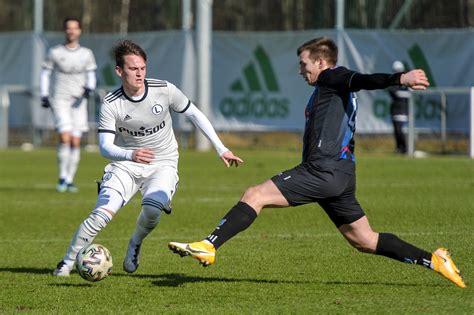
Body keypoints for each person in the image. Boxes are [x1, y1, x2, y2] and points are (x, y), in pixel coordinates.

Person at [168, 37, 466, 288]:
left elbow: (361, 80)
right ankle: (433, 259)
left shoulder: (331, 77)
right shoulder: (329, 88)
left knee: (254, 194)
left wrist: (398, 79)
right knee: (364, 240)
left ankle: (210, 245)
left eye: (304, 64)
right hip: (341, 174)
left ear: (321, 63)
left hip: (322, 170)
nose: (301, 70)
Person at [52, 40, 243, 276]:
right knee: (101, 215)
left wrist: (221, 148)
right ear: (119, 71)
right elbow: (104, 147)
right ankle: (67, 262)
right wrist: (130, 154)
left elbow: (194, 114)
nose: (139, 73)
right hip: (126, 165)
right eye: (133, 68)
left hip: (163, 163)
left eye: (142, 67)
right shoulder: (111, 103)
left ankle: (135, 243)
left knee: (152, 210)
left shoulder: (164, 90)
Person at [40, 17, 97, 193]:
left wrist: (90, 88)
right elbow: (45, 74)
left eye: (75, 28)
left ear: (80, 31)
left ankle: (70, 180)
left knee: (75, 141)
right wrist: (44, 94)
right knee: (65, 138)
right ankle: (62, 177)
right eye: (69, 28)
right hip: (60, 100)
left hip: (79, 102)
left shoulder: (86, 54)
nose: (72, 31)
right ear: (65, 31)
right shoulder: (55, 52)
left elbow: (91, 74)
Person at [388, 61, 410, 154]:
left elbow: (411, 94)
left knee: (400, 130)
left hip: (404, 110)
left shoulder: (407, 83)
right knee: (397, 130)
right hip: (396, 110)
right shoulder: (392, 83)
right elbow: (394, 93)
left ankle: (405, 148)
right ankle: (399, 148)